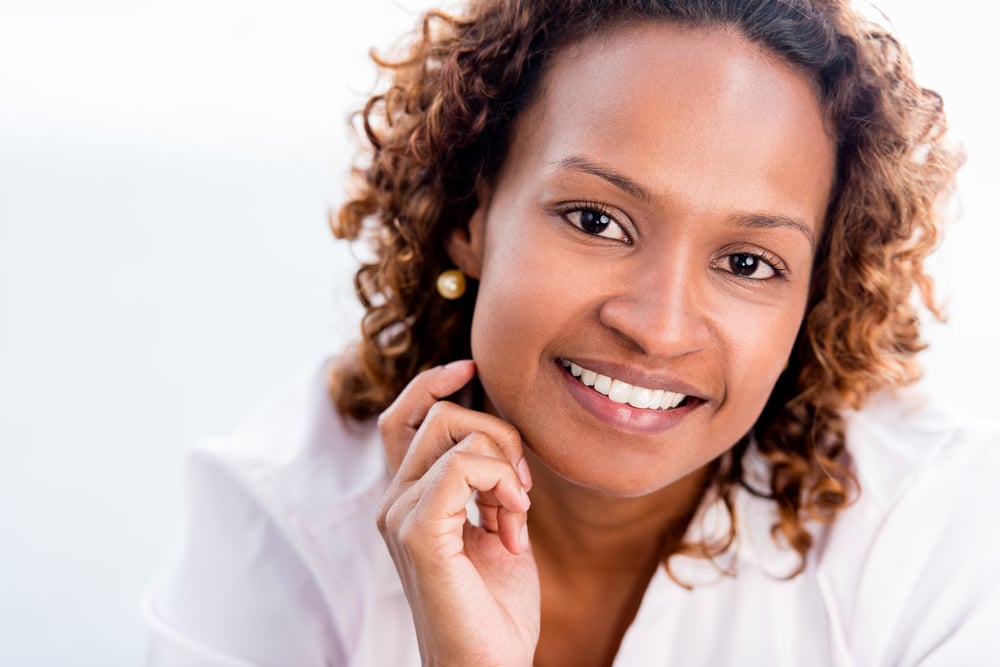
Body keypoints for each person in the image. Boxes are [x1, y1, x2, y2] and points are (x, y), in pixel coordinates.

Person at [144, 0, 998, 664]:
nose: (658, 329)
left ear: (815, 294)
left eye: (746, 263)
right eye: (596, 219)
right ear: (472, 212)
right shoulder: (281, 525)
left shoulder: (928, 532)